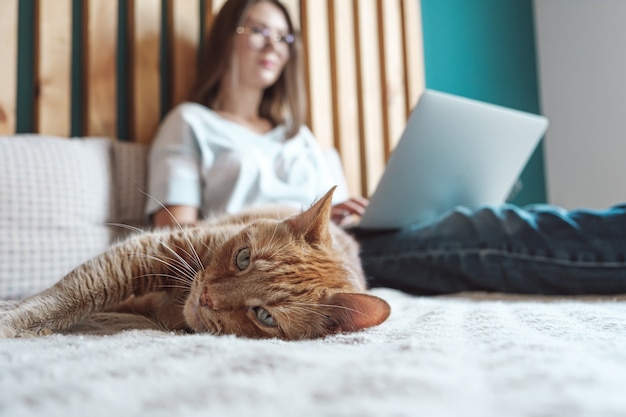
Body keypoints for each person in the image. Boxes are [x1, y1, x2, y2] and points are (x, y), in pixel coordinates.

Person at [146, 0, 626, 296]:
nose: (274, 44)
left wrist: (351, 214)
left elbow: (339, 222)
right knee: (483, 228)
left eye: (285, 36)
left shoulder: (303, 139)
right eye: (257, 30)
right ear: (225, 38)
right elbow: (174, 239)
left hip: (349, 245)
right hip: (282, 265)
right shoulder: (191, 123)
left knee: (477, 221)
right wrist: (287, 225)